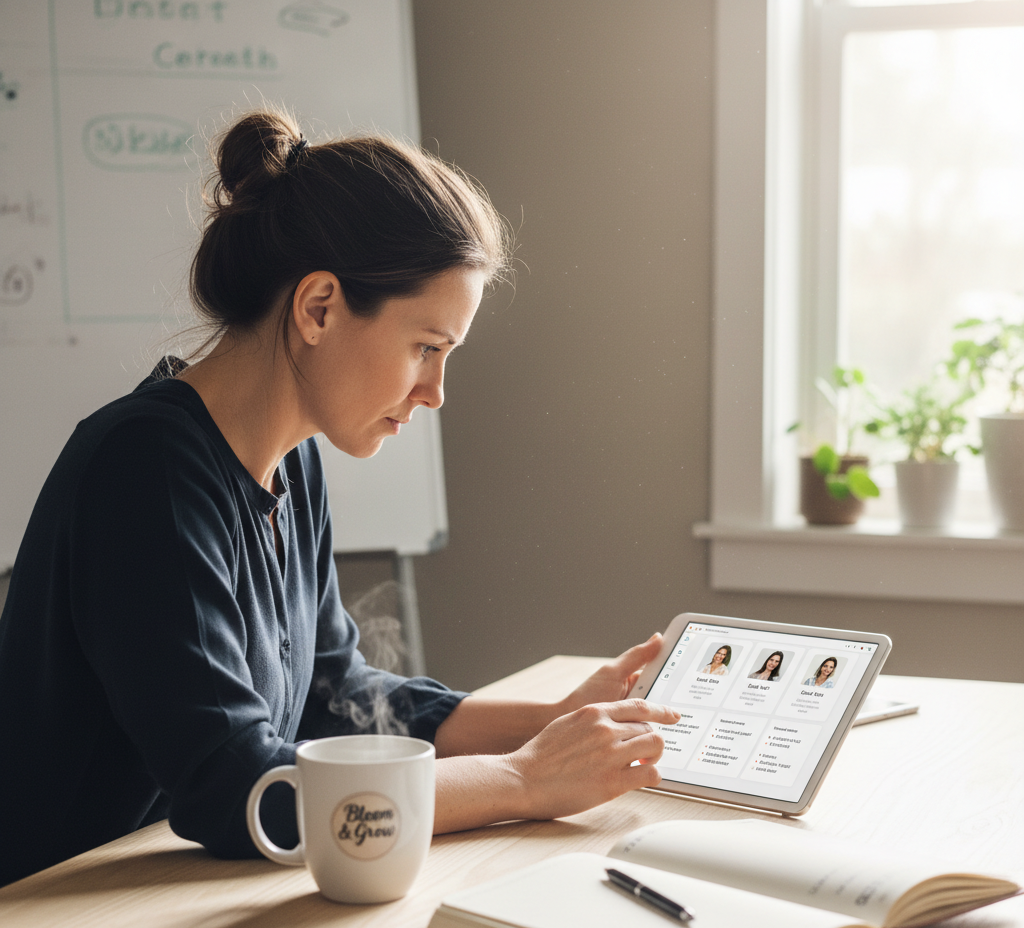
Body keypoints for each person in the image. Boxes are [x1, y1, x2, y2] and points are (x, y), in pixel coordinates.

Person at [0, 109, 679, 888]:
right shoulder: (145, 467)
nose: (436, 392)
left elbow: (334, 696)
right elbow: (248, 794)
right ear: (318, 307)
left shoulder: (292, 463)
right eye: (426, 347)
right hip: (49, 921)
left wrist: (552, 725)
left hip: (161, 898)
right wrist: (523, 779)